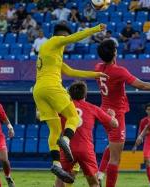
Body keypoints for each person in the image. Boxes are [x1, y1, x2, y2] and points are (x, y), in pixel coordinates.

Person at [94, 39, 150, 187]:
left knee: (112, 146)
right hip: (116, 115)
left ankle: (100, 174)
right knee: (116, 159)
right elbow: (142, 85)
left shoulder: (97, 67)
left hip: (104, 111)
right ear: (115, 53)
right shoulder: (119, 71)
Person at [33, 23, 108, 184]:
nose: (66, 43)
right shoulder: (56, 40)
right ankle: (66, 140)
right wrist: (96, 29)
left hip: (38, 90)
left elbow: (72, 72)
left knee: (55, 129)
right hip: (52, 86)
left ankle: (56, 163)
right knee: (73, 116)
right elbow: (74, 38)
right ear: (61, 35)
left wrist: (96, 74)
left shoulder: (49, 53)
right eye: (65, 38)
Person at [54, 81, 118, 187]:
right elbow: (114, 124)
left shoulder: (63, 107)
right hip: (86, 150)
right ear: (85, 95)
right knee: (93, 183)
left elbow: (41, 116)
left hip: (67, 148)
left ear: (69, 94)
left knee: (60, 179)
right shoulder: (93, 108)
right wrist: (113, 115)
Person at [132, 103, 150, 187]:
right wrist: (135, 145)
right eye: (149, 109)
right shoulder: (143, 121)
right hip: (148, 144)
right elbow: (140, 134)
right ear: (146, 111)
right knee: (148, 162)